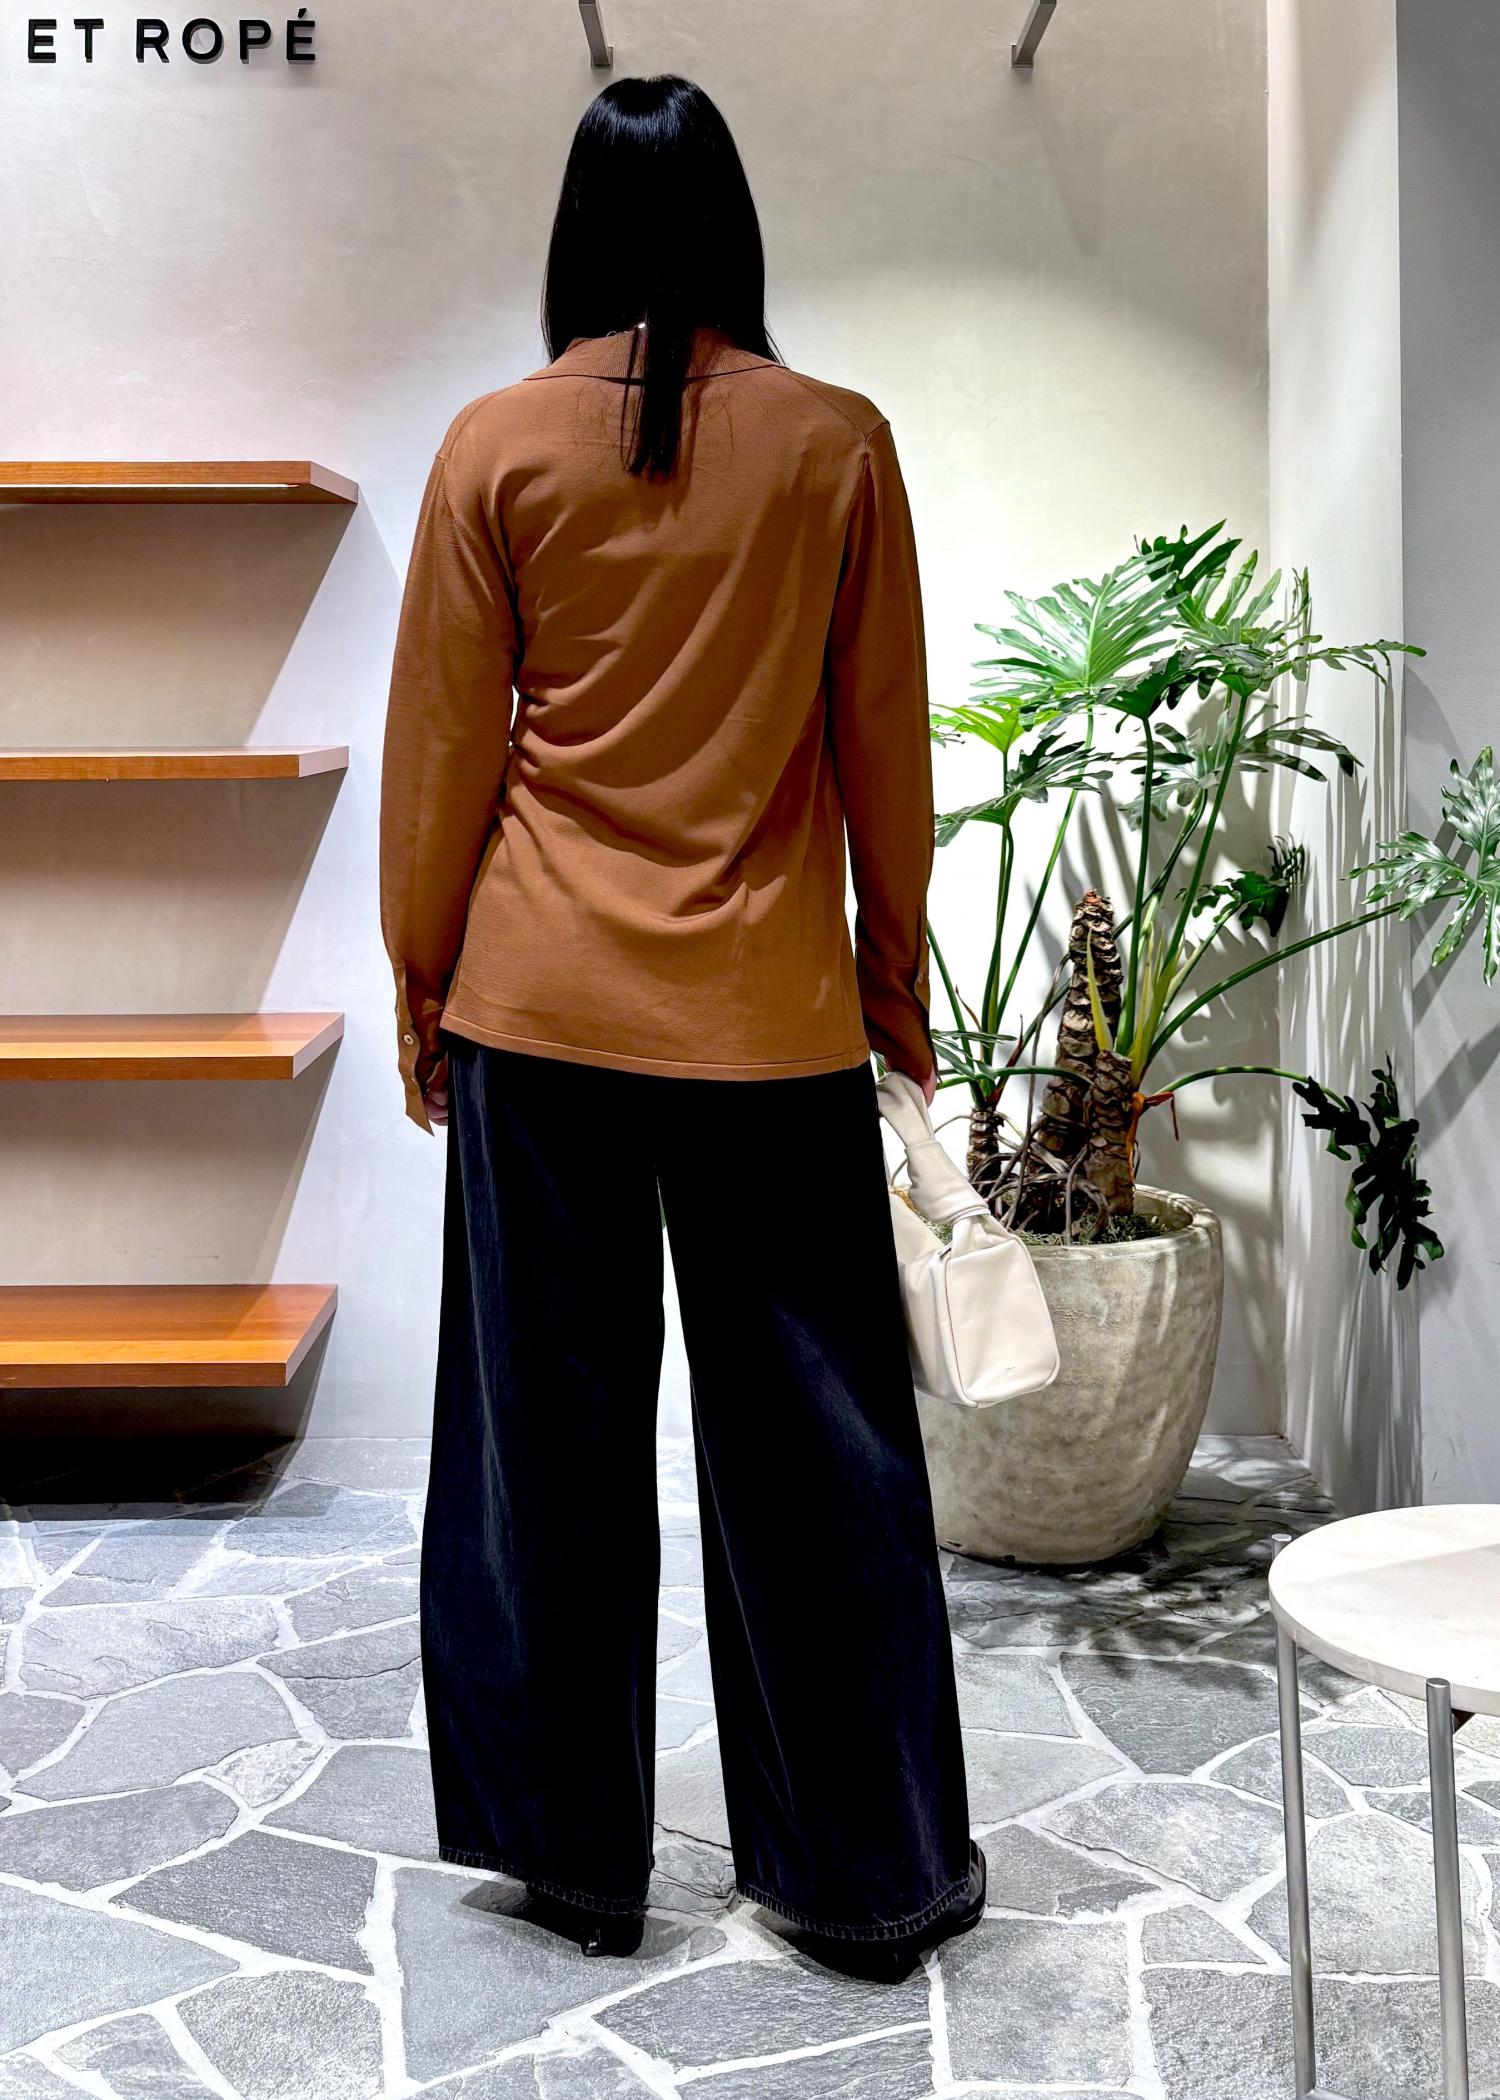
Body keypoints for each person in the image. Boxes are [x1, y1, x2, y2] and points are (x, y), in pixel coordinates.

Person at [379, 72, 980, 1983]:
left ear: (576, 229)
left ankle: (570, 1860)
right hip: (768, 1031)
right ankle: (866, 1875)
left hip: (539, 1012)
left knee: (538, 1449)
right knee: (820, 1459)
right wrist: (895, 991)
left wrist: (421, 985)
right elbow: (886, 757)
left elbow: (443, 757)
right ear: (733, 228)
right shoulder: (836, 444)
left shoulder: (493, 448)